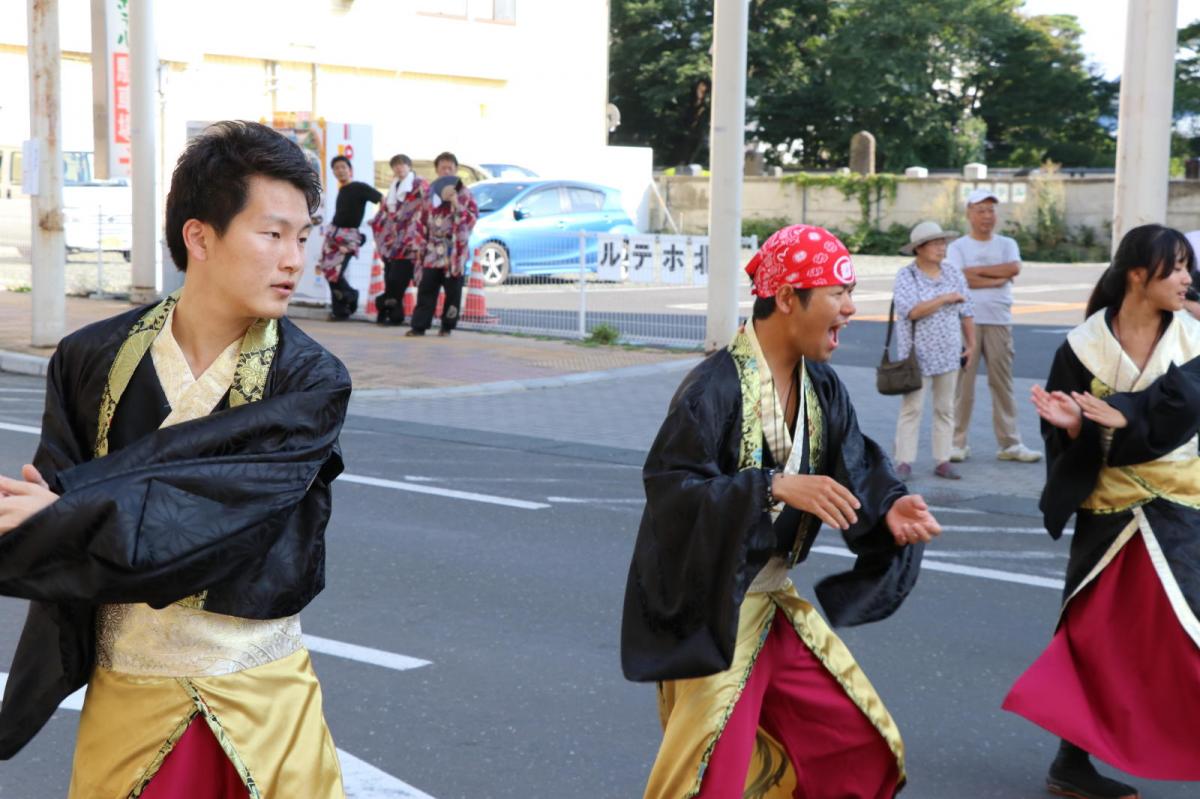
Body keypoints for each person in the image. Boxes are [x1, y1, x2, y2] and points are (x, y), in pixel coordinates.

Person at [0, 121, 351, 797]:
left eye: (303, 236)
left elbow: (217, 511)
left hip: (264, 704)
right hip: (128, 698)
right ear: (200, 238)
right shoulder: (87, 359)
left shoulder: (310, 381)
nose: (294, 260)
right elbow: (51, 542)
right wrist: (42, 519)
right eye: (272, 233)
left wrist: (68, 510)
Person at [622, 224, 942, 799]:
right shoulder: (712, 389)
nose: (850, 309)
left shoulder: (820, 384)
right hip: (718, 609)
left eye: (850, 294)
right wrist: (771, 486)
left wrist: (889, 505)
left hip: (771, 603)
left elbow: (855, 460)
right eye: (837, 295)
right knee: (707, 782)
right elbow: (673, 492)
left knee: (854, 741)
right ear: (789, 298)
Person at [1003, 224, 1200, 799]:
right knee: (1092, 636)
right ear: (1139, 274)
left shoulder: (1194, 342)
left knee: (1186, 633)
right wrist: (1072, 427)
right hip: (1109, 510)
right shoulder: (1082, 346)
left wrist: (1120, 417)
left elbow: (1178, 414)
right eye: (1179, 267)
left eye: (1189, 267)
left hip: (1179, 505)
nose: (1189, 278)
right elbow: (1064, 428)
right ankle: (1071, 761)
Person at [946, 188, 1042, 463]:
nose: (987, 216)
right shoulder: (958, 247)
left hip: (1000, 320)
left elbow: (1013, 268)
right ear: (969, 214)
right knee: (963, 385)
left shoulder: (1006, 243)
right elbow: (959, 279)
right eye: (981, 210)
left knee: (1003, 384)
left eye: (991, 210)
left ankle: (1010, 444)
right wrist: (994, 279)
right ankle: (956, 442)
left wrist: (977, 275)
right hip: (967, 321)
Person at [892, 221, 976, 480]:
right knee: (912, 408)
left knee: (945, 408)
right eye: (936, 243)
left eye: (943, 243)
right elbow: (911, 311)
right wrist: (944, 298)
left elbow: (967, 311)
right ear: (919, 248)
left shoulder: (953, 273)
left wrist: (971, 343)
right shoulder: (907, 276)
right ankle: (904, 461)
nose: (942, 248)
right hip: (917, 355)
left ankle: (943, 459)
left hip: (949, 352)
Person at [407, 151, 478, 337]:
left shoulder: (465, 193)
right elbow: (420, 219)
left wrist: (456, 204)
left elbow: (471, 219)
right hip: (432, 248)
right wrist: (420, 245)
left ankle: (447, 326)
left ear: (456, 170)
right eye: (443, 168)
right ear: (437, 170)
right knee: (427, 286)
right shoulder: (429, 193)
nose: (446, 171)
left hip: (454, 249)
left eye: (450, 168)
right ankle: (419, 325)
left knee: (453, 290)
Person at [318, 153, 382, 320]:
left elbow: (381, 199)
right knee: (328, 270)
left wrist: (377, 219)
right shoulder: (342, 190)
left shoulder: (359, 187)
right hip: (334, 235)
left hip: (349, 237)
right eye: (336, 168)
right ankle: (341, 310)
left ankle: (351, 296)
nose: (340, 171)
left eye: (343, 167)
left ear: (350, 170)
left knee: (336, 273)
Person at [369, 153, 429, 326]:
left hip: (410, 243)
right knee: (391, 278)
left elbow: (424, 207)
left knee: (397, 280)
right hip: (393, 243)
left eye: (402, 164)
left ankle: (387, 309)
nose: (399, 168)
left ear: (409, 166)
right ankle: (394, 315)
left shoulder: (419, 184)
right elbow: (387, 211)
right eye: (395, 165)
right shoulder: (394, 186)